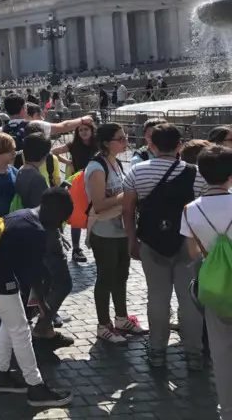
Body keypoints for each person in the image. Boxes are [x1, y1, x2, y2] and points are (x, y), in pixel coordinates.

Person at [0, 188, 74, 408]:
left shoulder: (24, 214)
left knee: (12, 324)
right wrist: (43, 304)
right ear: (53, 211)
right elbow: (33, 274)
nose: (59, 226)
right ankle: (35, 387)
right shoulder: (36, 231)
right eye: (60, 220)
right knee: (21, 331)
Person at [122, 123, 206, 369]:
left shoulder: (137, 172)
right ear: (180, 146)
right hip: (187, 242)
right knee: (189, 298)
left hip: (151, 240)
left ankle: (157, 350)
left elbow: (127, 210)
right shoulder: (196, 173)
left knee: (157, 297)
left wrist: (131, 239)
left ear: (151, 144)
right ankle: (194, 354)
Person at [182, 146, 232, 419]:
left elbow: (192, 252)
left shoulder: (190, 210)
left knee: (221, 353)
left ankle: (226, 410)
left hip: (213, 287)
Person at [85, 123, 143, 344]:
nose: (126, 141)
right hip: (104, 231)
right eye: (121, 138)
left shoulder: (116, 162)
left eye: (126, 136)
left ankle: (121, 318)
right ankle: (103, 325)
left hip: (120, 230)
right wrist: (127, 195)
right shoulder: (97, 167)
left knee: (122, 276)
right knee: (106, 278)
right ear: (107, 143)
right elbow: (98, 204)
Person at [51, 118, 98, 262]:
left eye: (86, 129)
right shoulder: (74, 145)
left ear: (92, 130)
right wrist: (68, 162)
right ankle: (76, 249)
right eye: (81, 130)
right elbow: (54, 152)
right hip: (79, 183)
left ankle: (97, 245)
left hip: (96, 181)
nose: (84, 132)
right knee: (76, 216)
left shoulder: (98, 144)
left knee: (97, 215)